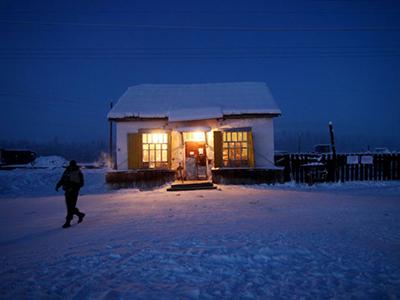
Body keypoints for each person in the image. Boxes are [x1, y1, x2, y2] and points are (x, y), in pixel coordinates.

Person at [56, 160, 85, 228]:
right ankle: (80, 215)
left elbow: (81, 183)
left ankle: (68, 222)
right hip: (67, 191)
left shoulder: (78, 172)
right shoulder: (67, 171)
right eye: (71, 165)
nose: (71, 166)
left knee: (70, 208)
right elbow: (62, 179)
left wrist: (73, 188)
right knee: (70, 207)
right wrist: (58, 185)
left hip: (74, 192)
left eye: (73, 165)